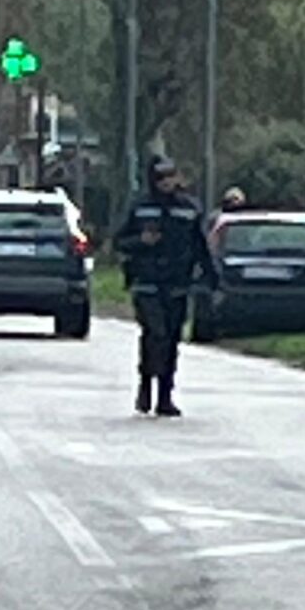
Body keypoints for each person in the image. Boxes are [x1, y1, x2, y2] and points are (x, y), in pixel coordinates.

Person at [114, 155, 215, 417]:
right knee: (154, 334)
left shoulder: (190, 209)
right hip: (146, 282)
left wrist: (211, 279)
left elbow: (200, 247)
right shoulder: (140, 207)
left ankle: (165, 395)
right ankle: (145, 385)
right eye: (161, 177)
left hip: (178, 283)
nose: (167, 182)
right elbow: (119, 241)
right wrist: (141, 241)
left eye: (170, 176)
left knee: (171, 338)